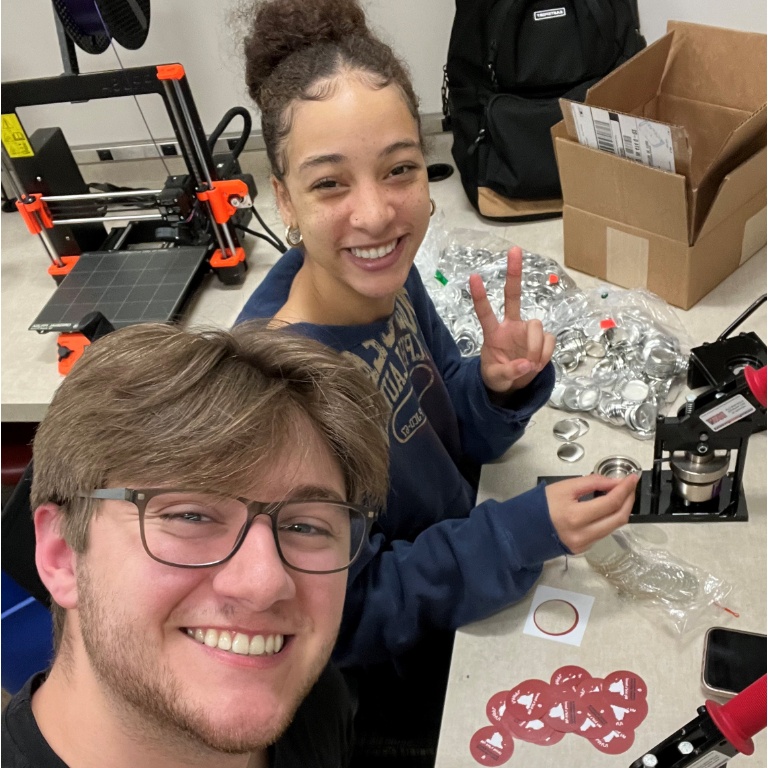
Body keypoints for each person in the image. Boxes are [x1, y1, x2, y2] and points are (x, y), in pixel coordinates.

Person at [234, 0, 639, 760]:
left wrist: (494, 389)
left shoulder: (380, 285)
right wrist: (519, 532)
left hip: (469, 568)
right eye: (329, 185)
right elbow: (350, 612)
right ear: (282, 198)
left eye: (399, 170)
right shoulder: (279, 395)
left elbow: (436, 428)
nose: (377, 214)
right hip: (415, 678)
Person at [1, 321, 391, 768]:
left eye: (305, 527)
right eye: (191, 516)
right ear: (62, 554)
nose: (265, 583)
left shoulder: (312, 703)